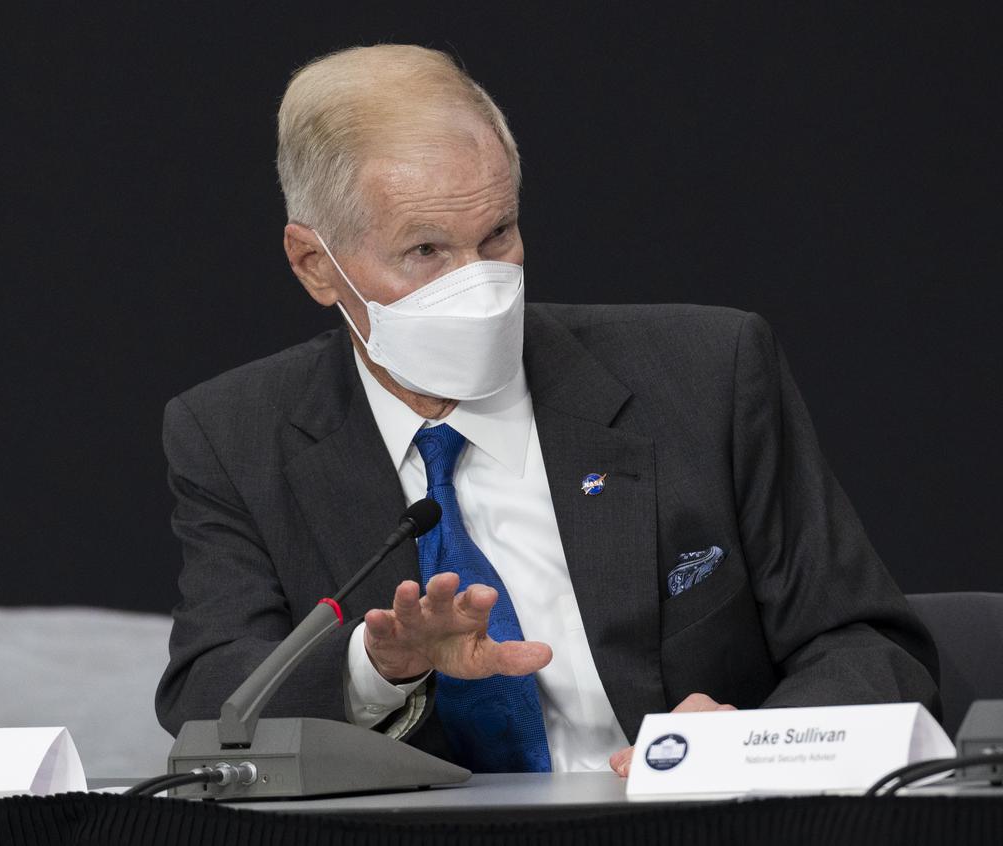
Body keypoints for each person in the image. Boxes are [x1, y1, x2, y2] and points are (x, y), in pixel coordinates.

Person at [154, 44, 938, 775]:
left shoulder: (707, 375)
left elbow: (870, 646)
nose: (481, 283)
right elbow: (209, 701)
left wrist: (750, 747)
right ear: (315, 265)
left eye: (498, 234)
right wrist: (379, 663)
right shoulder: (233, 436)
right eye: (426, 251)